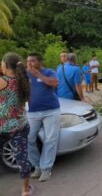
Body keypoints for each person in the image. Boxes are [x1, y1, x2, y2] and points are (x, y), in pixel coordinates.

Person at [1, 53, 33, 195]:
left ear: (6, 65)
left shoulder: (2, 81)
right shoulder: (24, 81)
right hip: (20, 124)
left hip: (3, 126)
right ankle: (25, 190)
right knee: (22, 156)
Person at [26, 53, 60, 182]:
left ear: (39, 62)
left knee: (50, 139)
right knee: (29, 138)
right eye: (28, 61)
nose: (29, 63)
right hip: (32, 112)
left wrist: (39, 75)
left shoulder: (49, 71)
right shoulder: (25, 74)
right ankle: (37, 166)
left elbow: (55, 83)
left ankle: (46, 169)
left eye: (32, 61)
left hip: (51, 110)